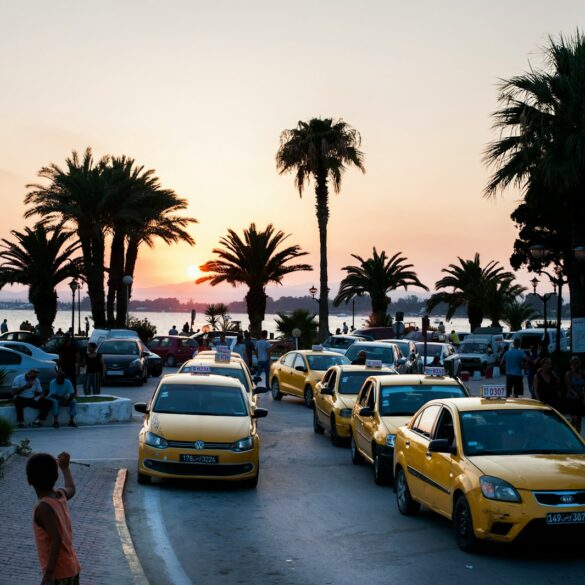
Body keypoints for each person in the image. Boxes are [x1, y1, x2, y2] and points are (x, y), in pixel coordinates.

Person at [27, 451, 81, 585]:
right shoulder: (60, 495)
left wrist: (49, 574)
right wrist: (65, 468)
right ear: (56, 477)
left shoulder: (43, 508)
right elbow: (71, 488)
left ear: (29, 480)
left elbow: (57, 539)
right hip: (71, 567)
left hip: (58, 574)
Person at [564, 356, 585, 432]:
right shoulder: (568, 374)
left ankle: (577, 437)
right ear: (571, 364)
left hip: (580, 399)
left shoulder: (582, 372)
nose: (576, 365)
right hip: (571, 399)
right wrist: (574, 393)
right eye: (574, 363)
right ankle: (567, 431)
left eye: (577, 363)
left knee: (579, 420)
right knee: (574, 418)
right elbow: (568, 386)